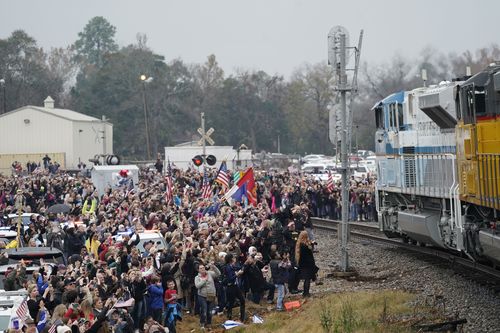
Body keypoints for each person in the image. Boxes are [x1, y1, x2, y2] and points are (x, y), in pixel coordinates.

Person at [194, 262, 220, 330]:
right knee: (204, 311)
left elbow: (218, 274)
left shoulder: (210, 273)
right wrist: (204, 280)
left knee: (210, 311)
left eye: (203, 267)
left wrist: (213, 266)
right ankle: (202, 324)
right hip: (202, 296)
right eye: (201, 268)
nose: (202, 269)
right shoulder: (197, 277)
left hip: (211, 295)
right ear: (198, 270)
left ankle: (209, 324)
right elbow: (197, 286)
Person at [223, 253, 246, 323]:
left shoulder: (232, 266)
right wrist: (237, 274)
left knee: (242, 300)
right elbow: (230, 278)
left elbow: (239, 267)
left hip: (235, 286)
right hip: (230, 287)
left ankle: (242, 318)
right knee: (231, 303)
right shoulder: (227, 267)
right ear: (231, 259)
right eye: (233, 258)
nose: (234, 259)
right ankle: (229, 318)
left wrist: (245, 264)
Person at [295, 230, 318, 297]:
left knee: (306, 279)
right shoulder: (305, 246)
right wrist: (312, 245)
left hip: (302, 264)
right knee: (307, 279)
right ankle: (306, 293)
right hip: (308, 264)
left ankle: (305, 292)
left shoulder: (299, 244)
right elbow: (310, 253)